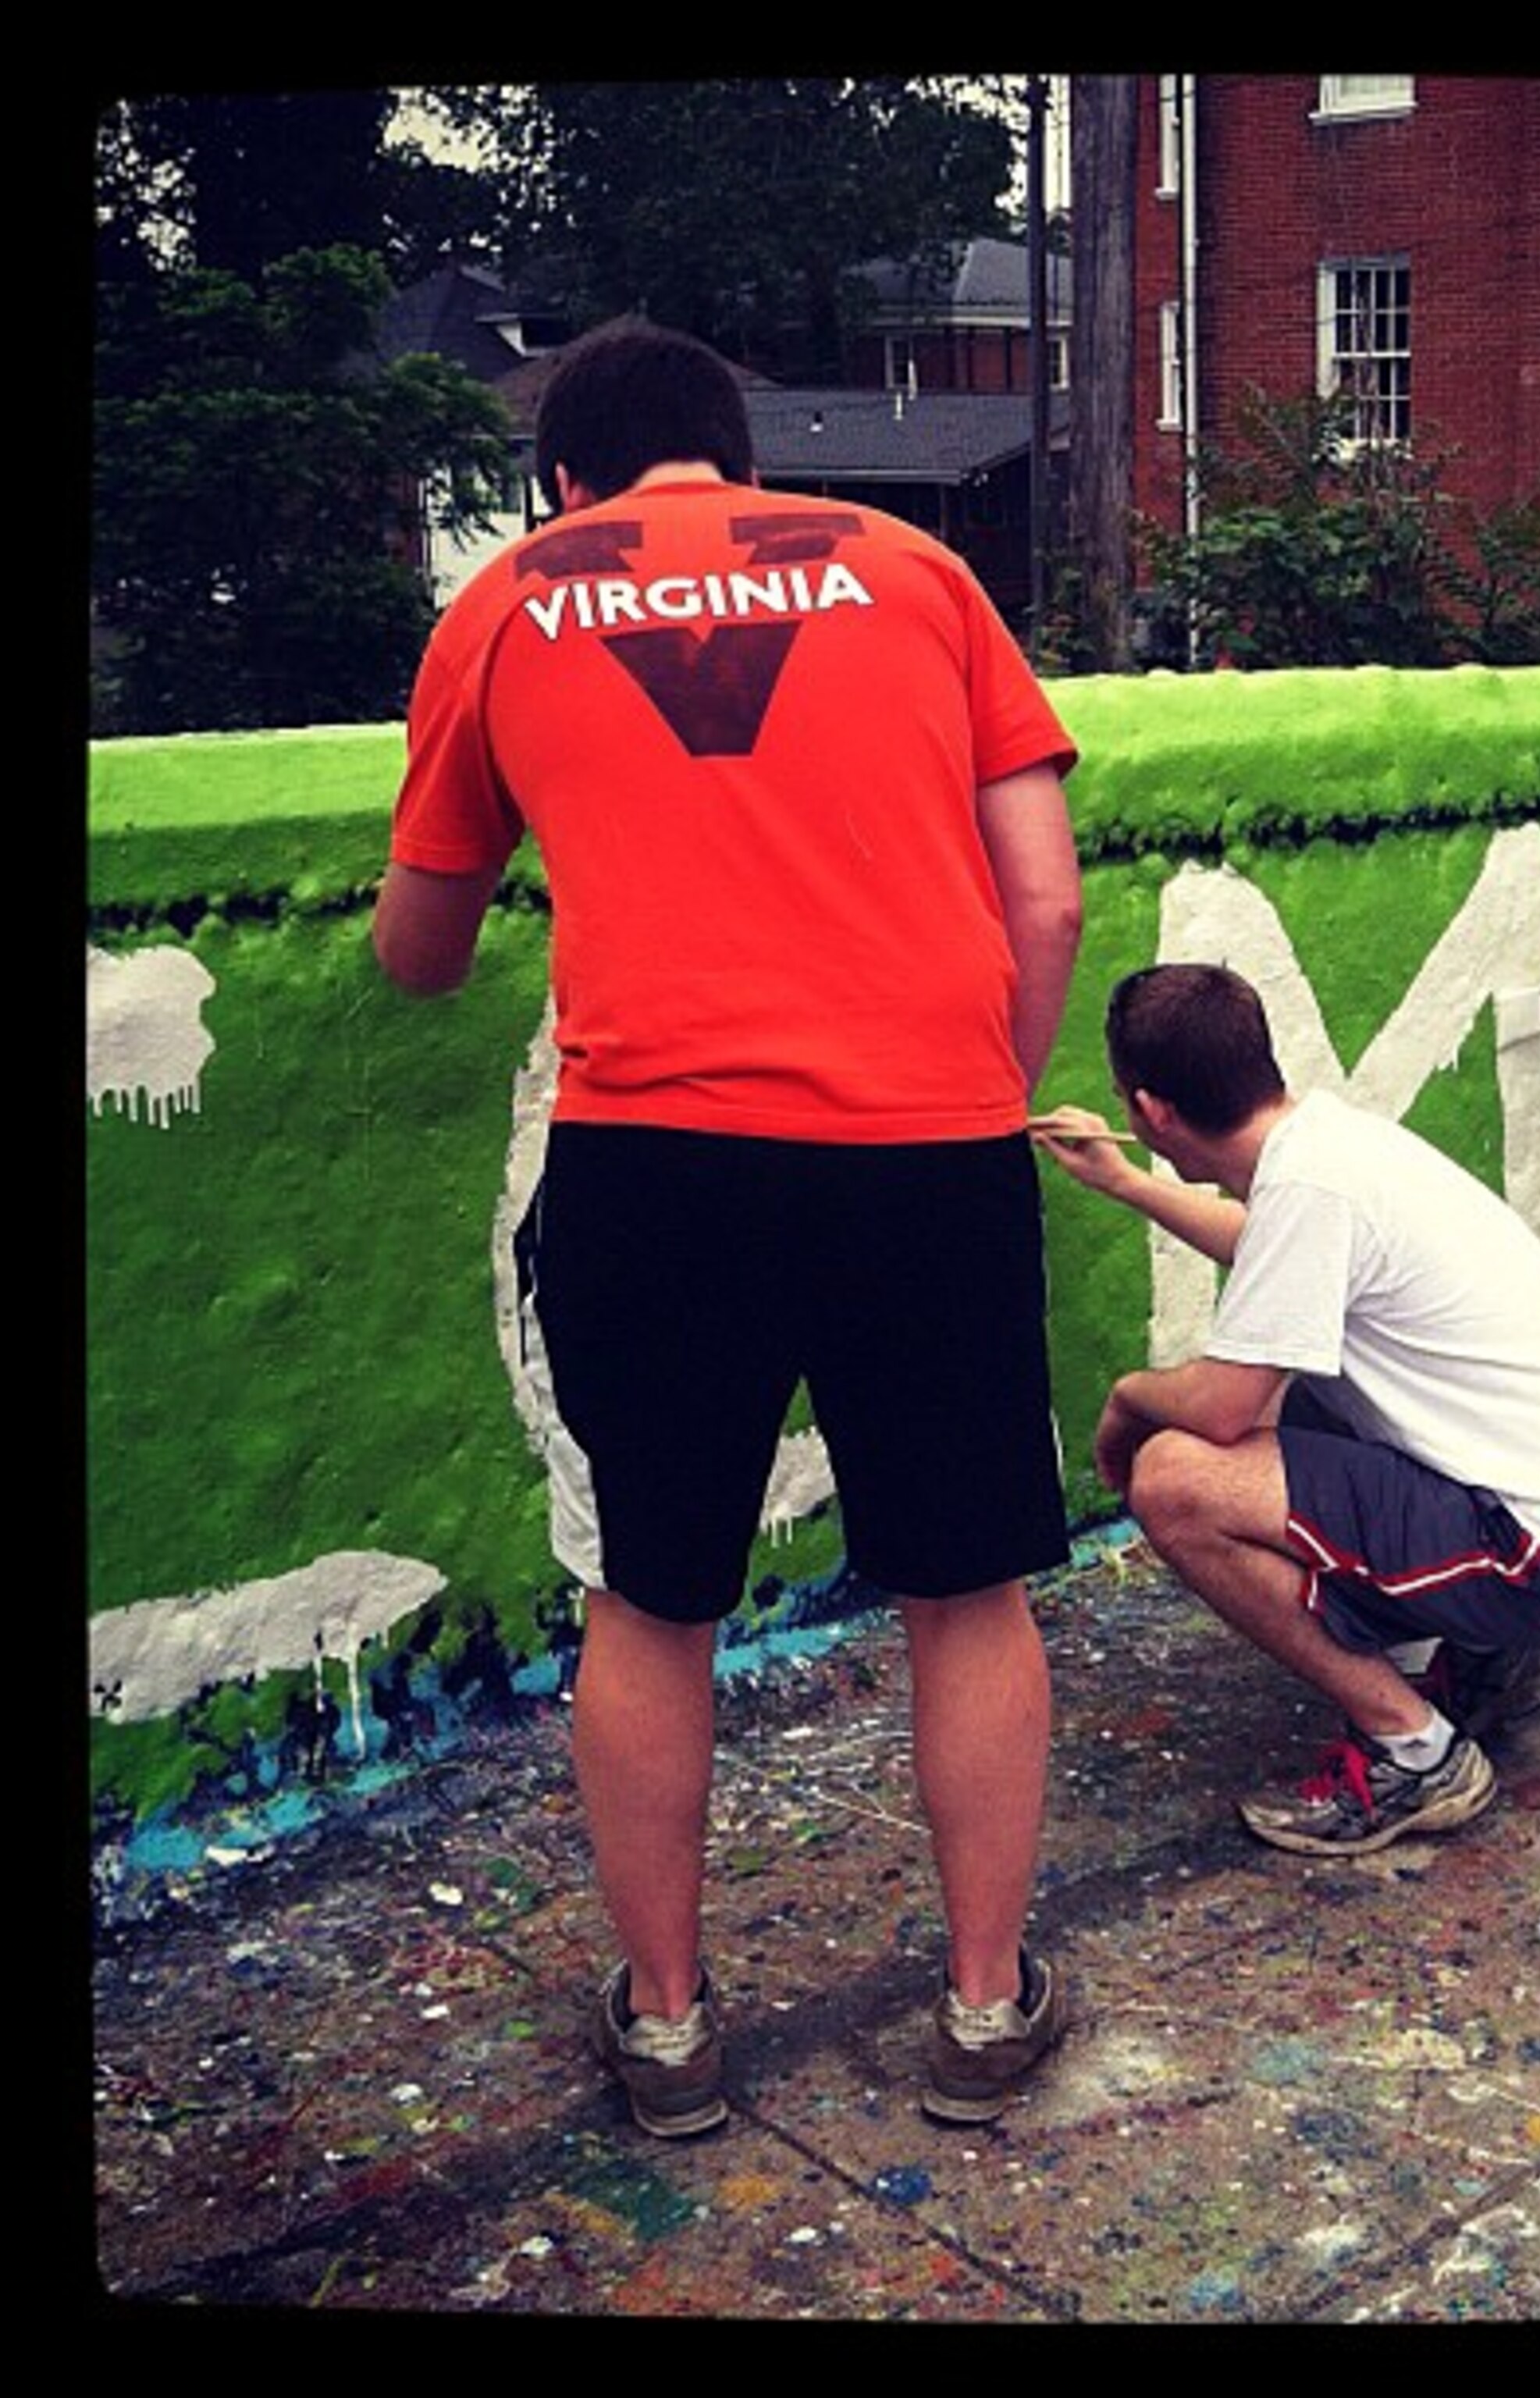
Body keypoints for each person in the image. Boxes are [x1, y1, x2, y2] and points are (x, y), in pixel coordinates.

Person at [373, 322, 1084, 2134]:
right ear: (740, 454)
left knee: (654, 1591)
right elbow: (1046, 896)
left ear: (565, 480)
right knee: (964, 1582)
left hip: (655, 1155)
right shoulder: (919, 570)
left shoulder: (502, 601)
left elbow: (420, 944)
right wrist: (965, 1095)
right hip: (922, 1143)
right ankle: (986, 2008)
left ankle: (674, 2028)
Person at [1034, 964, 1540, 1855]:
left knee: (1172, 1477)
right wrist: (1126, 1184)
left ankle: (1416, 1753)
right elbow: (1271, 1250)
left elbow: (1217, 1410)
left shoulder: (1309, 1187)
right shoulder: (1328, 1147)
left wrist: (1129, 1401)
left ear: (1152, 1110)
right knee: (1315, 1399)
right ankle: (1493, 1656)